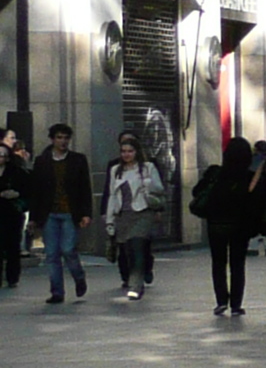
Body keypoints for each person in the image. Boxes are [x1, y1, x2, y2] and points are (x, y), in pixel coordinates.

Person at [192, 136, 266, 318]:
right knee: (237, 264)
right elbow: (258, 202)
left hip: (216, 224)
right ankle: (236, 304)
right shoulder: (250, 178)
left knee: (218, 263)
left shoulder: (214, 173)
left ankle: (220, 301)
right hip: (239, 226)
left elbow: (196, 191)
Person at [31, 123, 93, 304]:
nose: (63, 141)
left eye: (66, 138)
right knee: (51, 254)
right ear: (52, 139)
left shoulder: (78, 160)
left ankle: (79, 276)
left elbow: (85, 189)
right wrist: (33, 218)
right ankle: (57, 292)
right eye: (59, 137)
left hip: (69, 212)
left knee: (68, 250)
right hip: (49, 213)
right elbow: (36, 191)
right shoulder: (42, 161)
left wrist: (86, 213)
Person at [104, 132, 166, 300]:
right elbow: (111, 195)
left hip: (142, 212)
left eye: (130, 151)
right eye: (123, 151)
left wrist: (147, 183)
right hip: (123, 215)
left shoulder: (147, 168)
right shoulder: (115, 170)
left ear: (136, 152)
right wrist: (109, 219)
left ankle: (136, 286)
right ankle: (134, 279)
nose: (126, 154)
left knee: (138, 247)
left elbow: (159, 189)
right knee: (127, 251)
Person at [0, 128, 27, 290]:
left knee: (12, 246)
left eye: (3, 155)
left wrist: (15, 193)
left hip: (12, 212)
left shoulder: (16, 172)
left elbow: (26, 188)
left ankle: (12, 277)